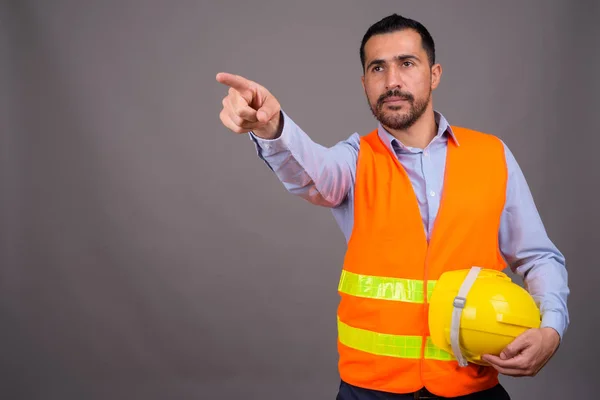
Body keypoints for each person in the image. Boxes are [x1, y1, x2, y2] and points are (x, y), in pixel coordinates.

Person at [215, 13, 569, 400]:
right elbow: (310, 172)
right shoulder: (353, 160)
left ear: (434, 74)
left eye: (407, 63)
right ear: (365, 83)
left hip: (471, 386)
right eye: (377, 68)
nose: (392, 81)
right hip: (370, 392)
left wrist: (550, 329)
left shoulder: (492, 155)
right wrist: (272, 126)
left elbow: (538, 257)